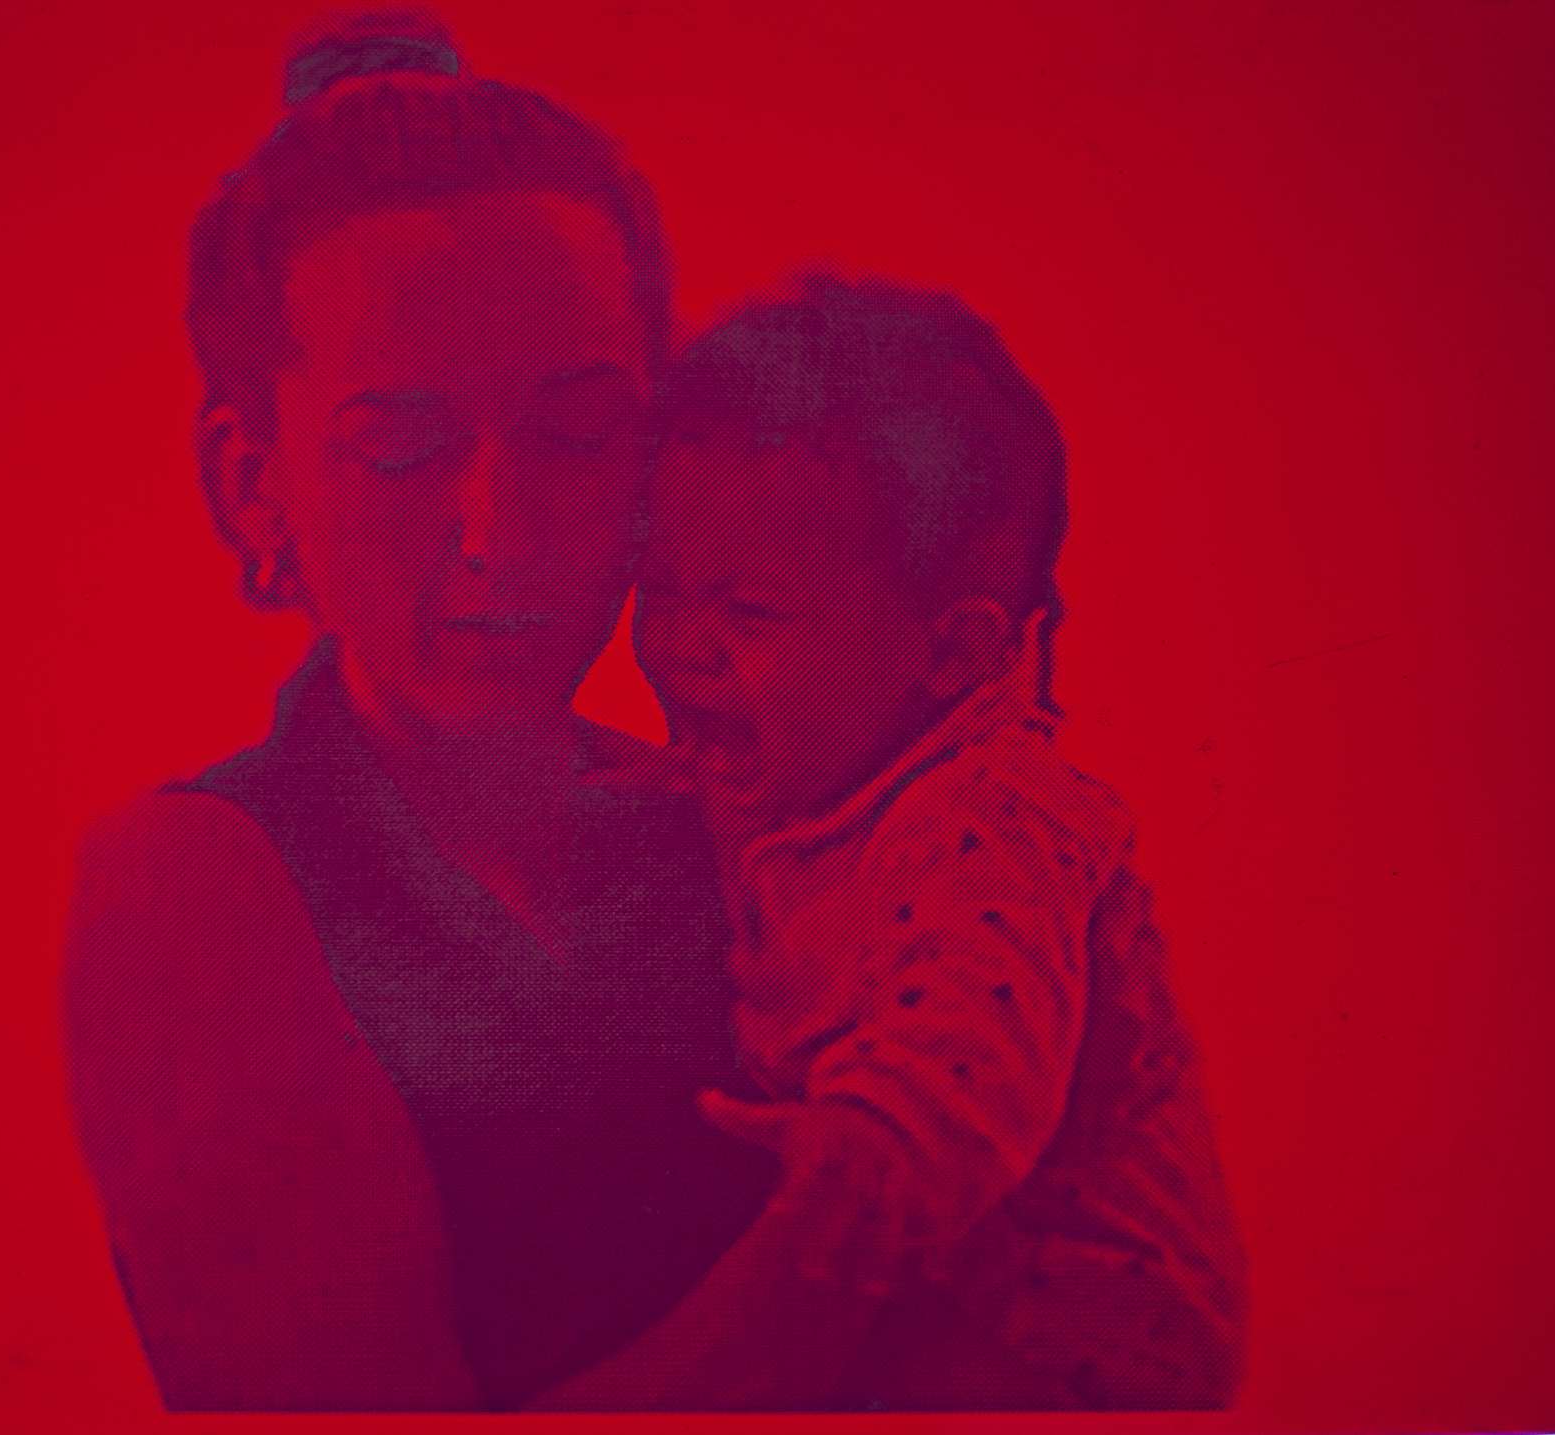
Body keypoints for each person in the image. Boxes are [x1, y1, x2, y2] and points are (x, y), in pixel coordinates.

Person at [61, 14, 920, 1413]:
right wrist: (861, 1231)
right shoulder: (194, 882)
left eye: (579, 434)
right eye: (399, 446)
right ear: (250, 482)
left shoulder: (737, 828)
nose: (497, 532)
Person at [633, 275, 1249, 1408]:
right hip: (954, 1275)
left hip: (1080, 1327)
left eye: (748, 612)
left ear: (950, 654)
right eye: (659, 590)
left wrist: (872, 1140)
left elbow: (971, 1033)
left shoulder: (989, 818)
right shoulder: (811, 768)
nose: (682, 646)